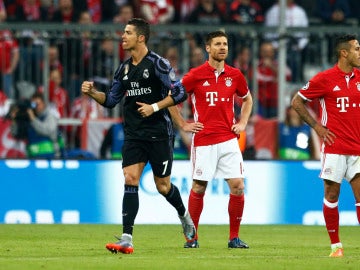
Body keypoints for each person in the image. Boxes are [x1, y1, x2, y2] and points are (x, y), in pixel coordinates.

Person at [81, 18, 196, 254]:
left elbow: (180, 92)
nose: (122, 36)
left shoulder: (158, 64)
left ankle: (184, 216)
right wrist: (93, 93)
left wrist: (154, 107)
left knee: (163, 186)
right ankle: (127, 238)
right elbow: (111, 101)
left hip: (159, 134)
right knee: (130, 178)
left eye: (127, 33)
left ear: (141, 37)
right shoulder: (122, 69)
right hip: (134, 135)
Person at [169, 30, 253, 249]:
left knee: (238, 186)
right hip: (204, 140)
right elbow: (171, 100)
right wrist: (183, 124)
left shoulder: (235, 74)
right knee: (198, 187)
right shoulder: (195, 75)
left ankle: (234, 237)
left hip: (228, 138)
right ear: (208, 48)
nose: (222, 47)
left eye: (225, 43)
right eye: (217, 44)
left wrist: (243, 122)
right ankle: (191, 238)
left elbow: (247, 99)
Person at [291, 34, 360, 257]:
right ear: (344, 53)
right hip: (335, 148)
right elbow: (297, 101)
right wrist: (317, 127)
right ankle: (336, 246)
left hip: (358, 148)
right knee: (332, 195)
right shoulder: (325, 79)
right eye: (357, 49)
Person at [9, 92, 63, 158]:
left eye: (38, 104)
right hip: (32, 157)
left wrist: (33, 119)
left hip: (50, 157)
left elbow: (47, 130)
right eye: (33, 104)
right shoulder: (30, 118)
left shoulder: (49, 116)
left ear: (44, 104)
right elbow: (17, 135)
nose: (36, 107)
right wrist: (14, 120)